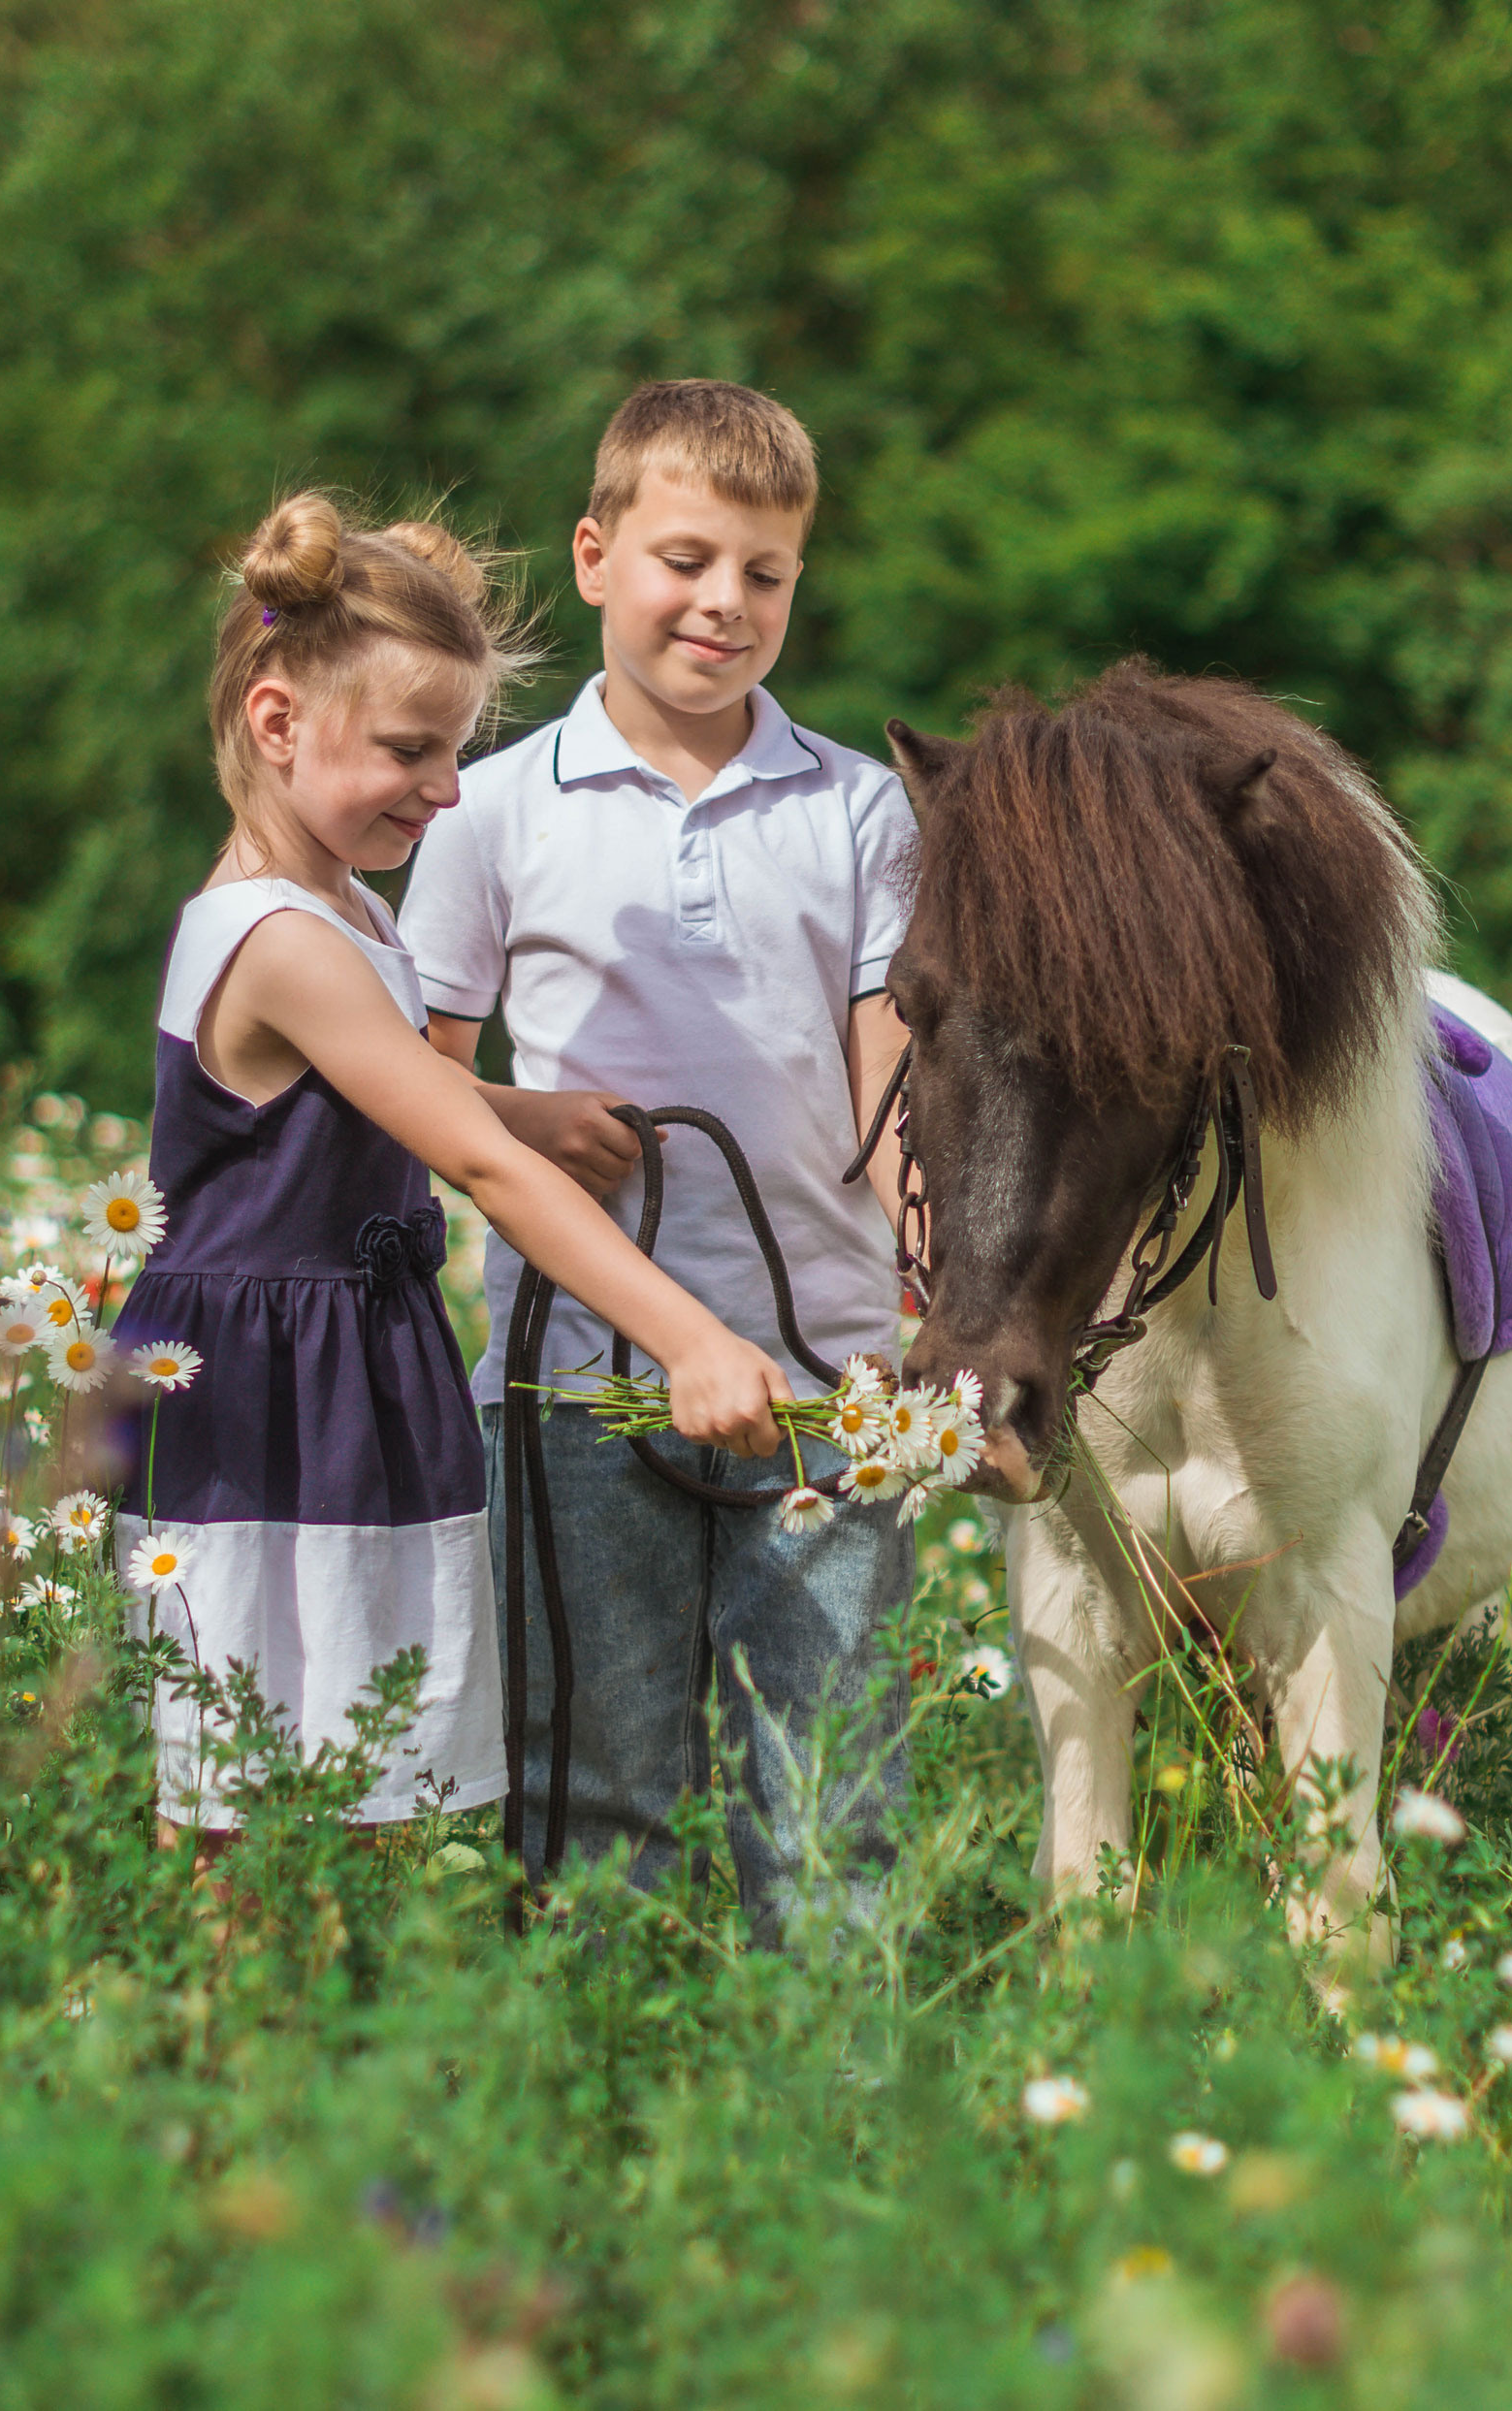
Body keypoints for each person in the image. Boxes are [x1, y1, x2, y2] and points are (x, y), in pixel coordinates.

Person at [113, 491, 791, 1846]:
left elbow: (381, 1091)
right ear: (277, 722)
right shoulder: (281, 934)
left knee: (355, 1778)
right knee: (254, 1801)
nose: (447, 789)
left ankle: (306, 2036)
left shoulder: (338, 902)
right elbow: (471, 1158)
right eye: (414, 752)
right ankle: (224, 2039)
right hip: (268, 1405)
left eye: (462, 750)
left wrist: (524, 1108)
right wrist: (688, 1338)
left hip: (347, 1373)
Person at [400, 380, 917, 1940]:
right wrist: (527, 1115)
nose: (725, 602)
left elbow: (892, 1091)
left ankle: (831, 2166)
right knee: (591, 1808)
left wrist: (936, 1308)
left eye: (765, 574)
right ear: (593, 555)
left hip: (830, 1384)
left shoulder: (860, 806)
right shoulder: (486, 811)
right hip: (578, 1391)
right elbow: (419, 1097)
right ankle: (600, 2151)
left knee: (830, 1819)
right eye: (686, 558)